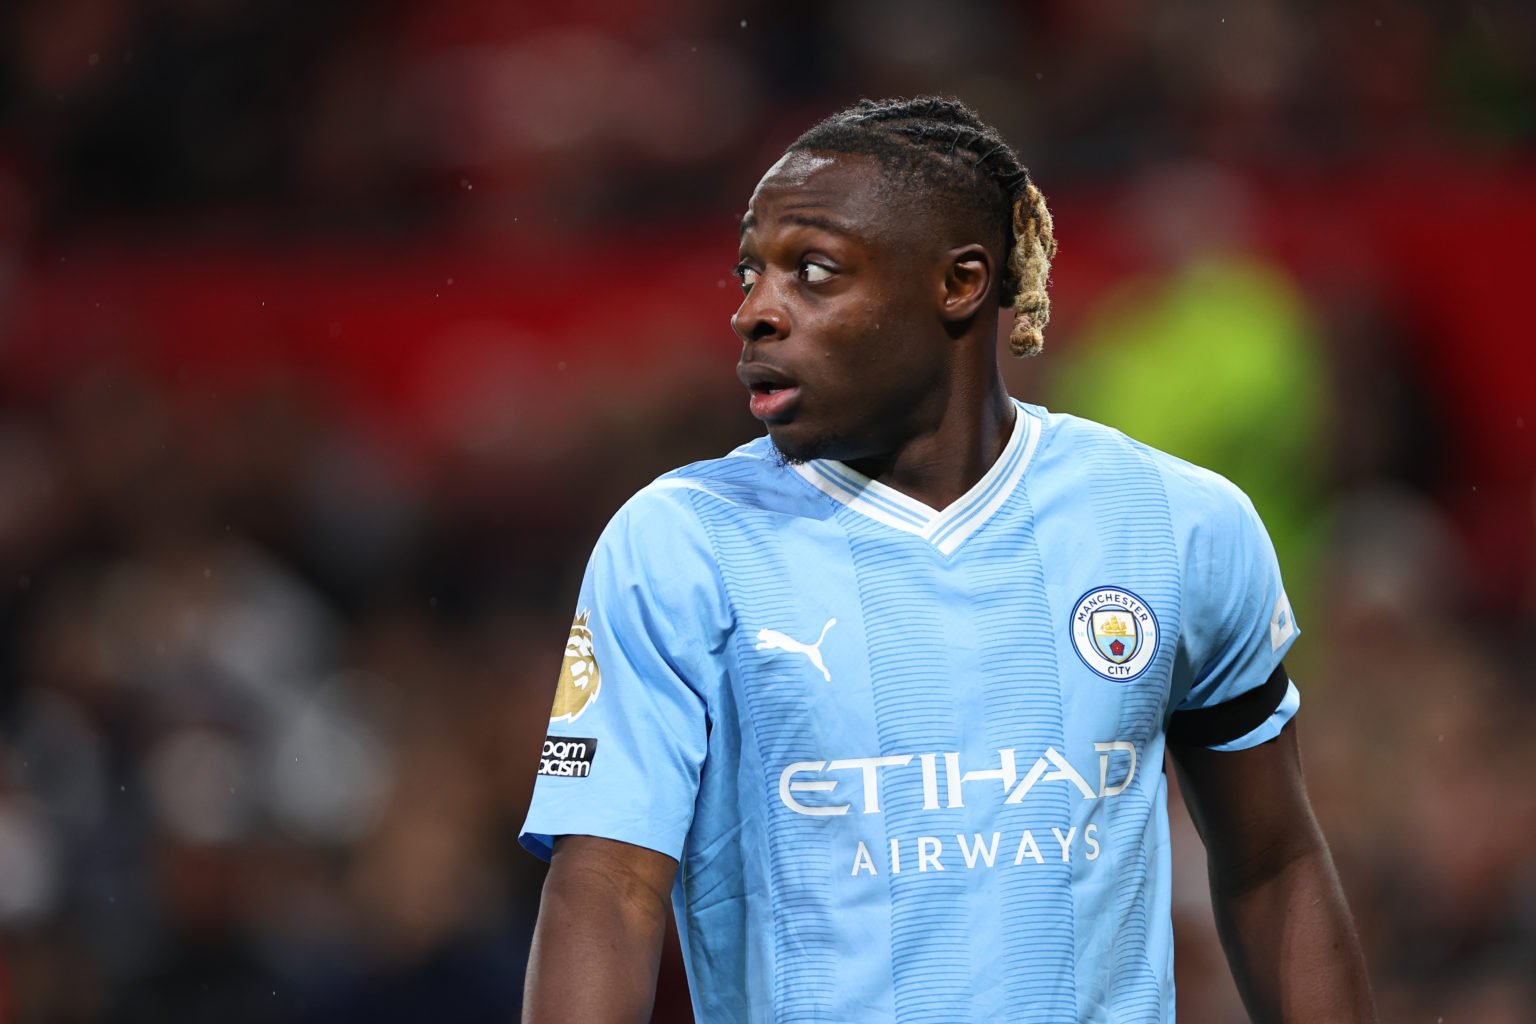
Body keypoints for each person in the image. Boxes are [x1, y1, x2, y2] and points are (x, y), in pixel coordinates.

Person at [519, 96, 1375, 1023]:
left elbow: (1274, 865)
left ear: (960, 283)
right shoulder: (679, 542)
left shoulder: (1176, 523)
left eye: (811, 272)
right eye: (749, 272)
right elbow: (607, 887)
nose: (754, 313)